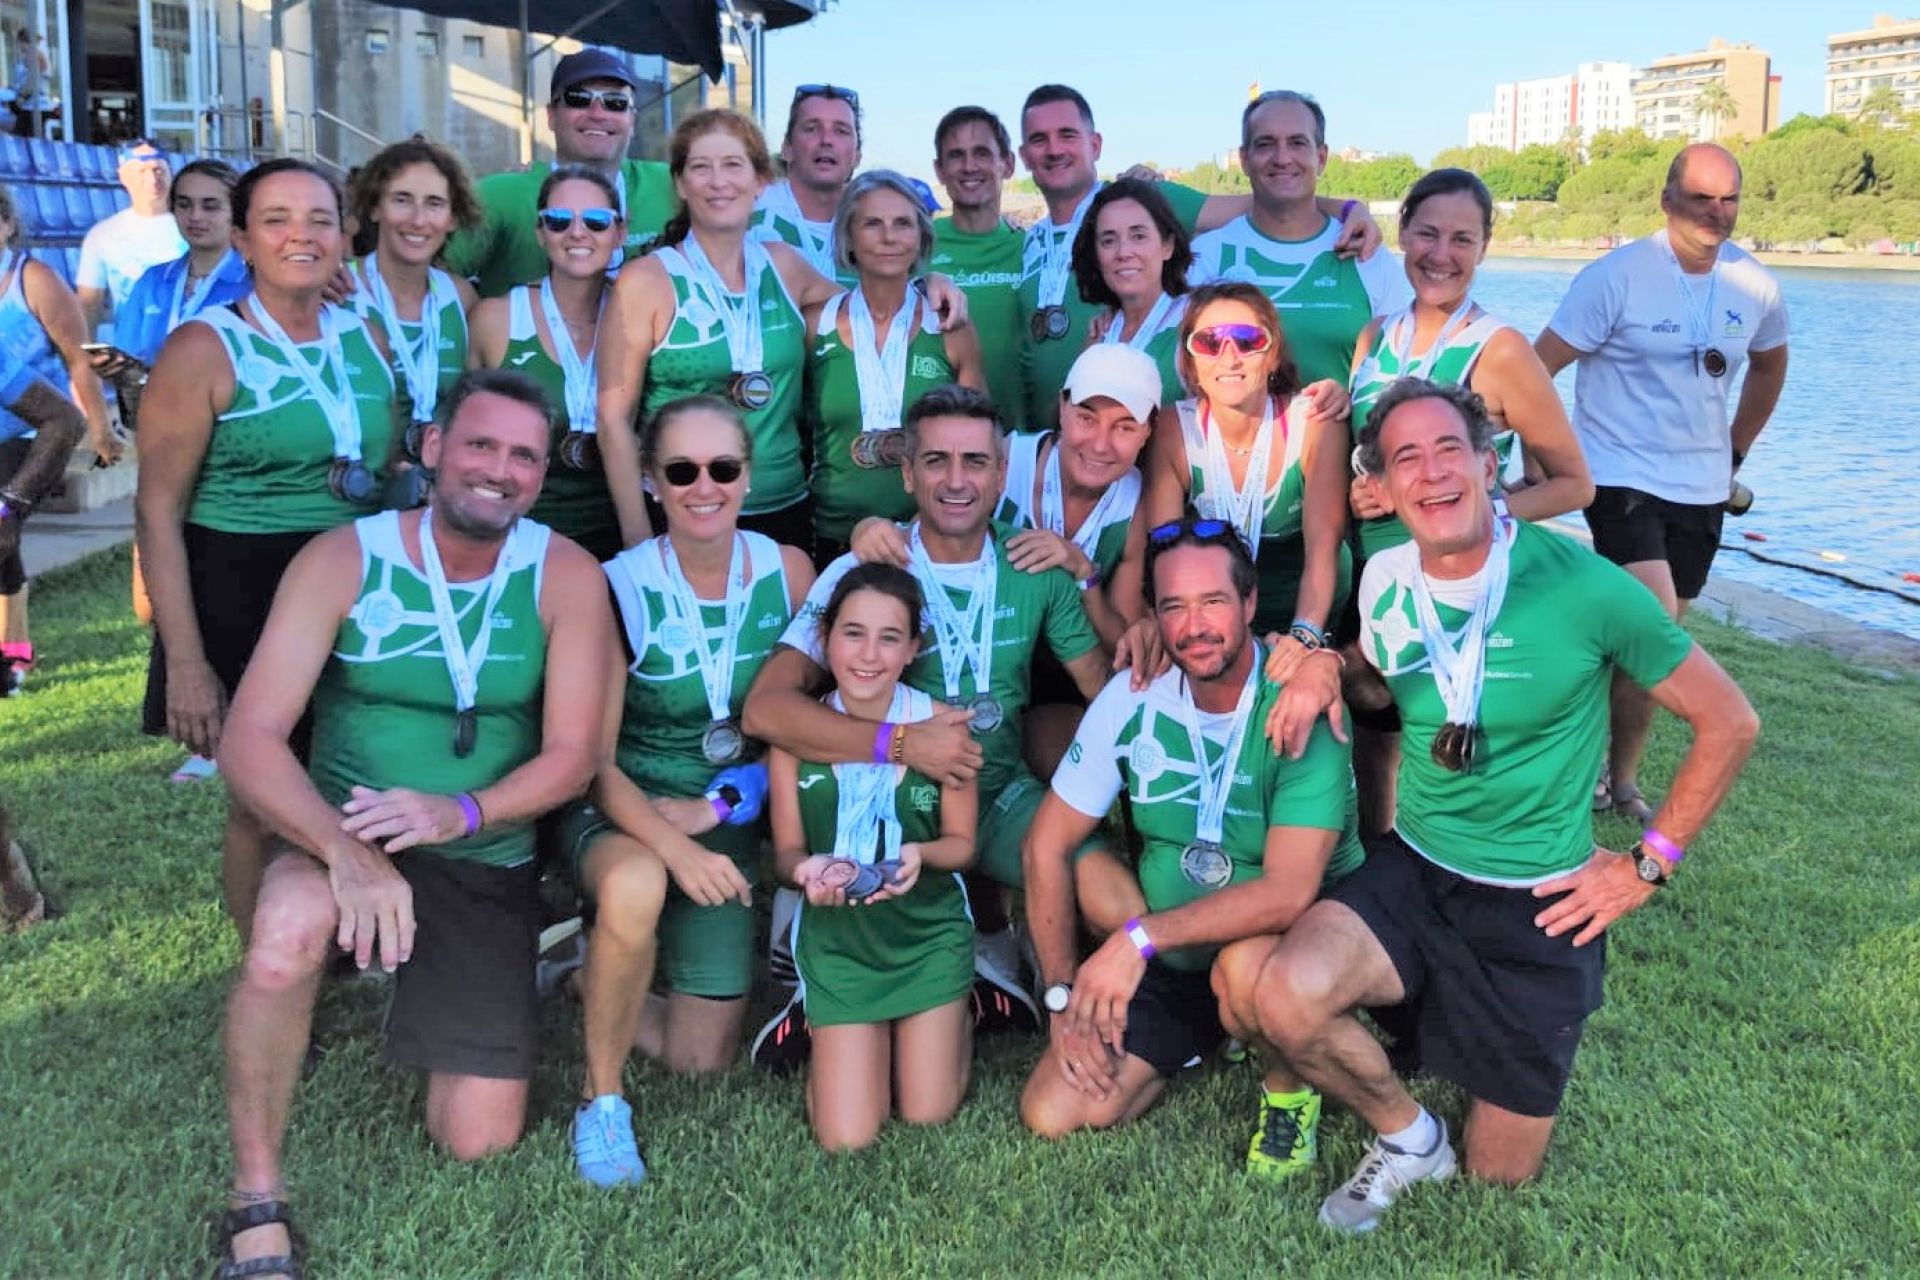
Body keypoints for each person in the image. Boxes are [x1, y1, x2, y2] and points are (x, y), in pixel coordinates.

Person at [1252, 378, 1757, 1234]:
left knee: (1499, 1179)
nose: (1432, 472)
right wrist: (1329, 665)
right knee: (1285, 997)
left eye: (1450, 449)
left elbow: (1730, 721)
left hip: (1540, 899)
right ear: (1381, 488)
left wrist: (1646, 866)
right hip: (1419, 867)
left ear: (1490, 467)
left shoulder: (1587, 587)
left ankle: (1470, 1051)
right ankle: (1410, 1137)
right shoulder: (1386, 576)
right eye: (1406, 457)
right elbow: (1380, 675)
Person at [212, 369, 611, 1279]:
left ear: (541, 476)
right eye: (481, 444)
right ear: (432, 447)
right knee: (284, 935)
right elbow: (250, 738)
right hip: (343, 831)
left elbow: (573, 756)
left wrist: (461, 810)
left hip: (481, 847)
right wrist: (342, 851)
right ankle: (255, 1198)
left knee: (478, 1138)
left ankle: (466, 974)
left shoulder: (564, 574)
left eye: (524, 456)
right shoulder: (343, 558)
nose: (499, 470)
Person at [743, 384, 1111, 1064]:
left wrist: (1086, 577)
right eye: (936, 461)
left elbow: (1105, 694)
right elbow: (766, 709)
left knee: (1111, 894)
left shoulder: (1035, 563)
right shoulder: (866, 564)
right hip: (886, 801)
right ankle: (817, 963)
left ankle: (1040, 988)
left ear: (1001, 473)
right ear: (908, 473)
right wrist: (905, 744)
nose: (957, 480)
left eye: (976, 461)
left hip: (994, 793)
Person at [1020, 518, 1362, 1173]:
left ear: (1251, 603)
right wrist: (1062, 998)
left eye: (1213, 602)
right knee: (1052, 1110)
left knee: (1245, 970)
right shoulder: (1133, 695)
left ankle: (1289, 1095)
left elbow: (1290, 893)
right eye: (1174, 606)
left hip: (1280, 944)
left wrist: (1136, 939)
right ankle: (1210, 1033)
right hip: (1175, 952)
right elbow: (1045, 847)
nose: (1194, 626)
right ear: (1153, 616)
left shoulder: (1299, 702)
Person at [136, 158, 398, 938]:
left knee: (351, 779)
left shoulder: (365, 333)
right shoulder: (203, 347)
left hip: (356, 587)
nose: (300, 236)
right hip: (244, 587)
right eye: (276, 220)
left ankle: (344, 939)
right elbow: (157, 509)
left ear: (346, 236)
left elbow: (384, 463)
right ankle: (266, 963)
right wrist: (186, 663)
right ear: (244, 240)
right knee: (264, 799)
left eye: (320, 219)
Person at [556, 394, 812, 1185]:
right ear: (649, 480)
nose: (705, 487)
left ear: (749, 476)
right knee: (636, 883)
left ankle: (580, 974)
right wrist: (674, 846)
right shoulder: (614, 586)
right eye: (681, 470)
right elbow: (591, 762)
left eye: (724, 468)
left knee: (701, 1057)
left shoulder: (788, 571)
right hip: (623, 805)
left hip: (727, 808)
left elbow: (804, 728)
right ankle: (601, 1099)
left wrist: (720, 808)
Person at [1535, 143, 1787, 824]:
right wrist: (1547, 458)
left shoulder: (1755, 284)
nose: (1715, 212)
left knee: (1644, 643)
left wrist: (1736, 449)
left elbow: (1769, 366)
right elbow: (1536, 368)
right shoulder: (1614, 277)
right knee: (1655, 619)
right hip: (1619, 476)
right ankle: (1595, 761)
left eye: (1729, 199)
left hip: (1702, 487)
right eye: (1701, 197)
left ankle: (1620, 779)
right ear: (1667, 198)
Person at [1345, 168, 1593, 832]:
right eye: (1427, 233)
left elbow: (1574, 483)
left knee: (1445, 753)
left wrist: (1472, 516)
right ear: (1402, 234)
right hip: (1374, 575)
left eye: (1462, 239)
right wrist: (1360, 489)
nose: (1441, 254)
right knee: (1376, 735)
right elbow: (1367, 459)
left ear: (1485, 246)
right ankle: (1383, 862)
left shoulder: (1502, 350)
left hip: (1459, 585)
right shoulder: (1373, 338)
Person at [597, 109, 962, 556]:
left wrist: (929, 282)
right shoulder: (645, 281)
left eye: (733, 165)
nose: (718, 181)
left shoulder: (785, 266)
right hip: (681, 510)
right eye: (701, 167)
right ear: (680, 184)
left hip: (783, 510)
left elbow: (876, 303)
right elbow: (612, 421)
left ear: (761, 182)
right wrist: (637, 543)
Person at [1015, 84, 1379, 431]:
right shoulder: (1028, 242)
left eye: (1067, 135)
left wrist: (1350, 208)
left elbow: (1275, 195)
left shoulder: (1148, 197)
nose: (1054, 149)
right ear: (1023, 155)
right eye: (1039, 139)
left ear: (1095, 144)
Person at [771, 562, 978, 1149]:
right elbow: (786, 852)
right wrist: (806, 870)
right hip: (839, 942)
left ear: (913, 648)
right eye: (853, 633)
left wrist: (921, 854)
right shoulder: (796, 731)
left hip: (927, 935)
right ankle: (818, 1015)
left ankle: (960, 1005)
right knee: (847, 1138)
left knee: (927, 1112)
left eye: (890, 638)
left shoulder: (944, 727)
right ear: (825, 638)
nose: (868, 655)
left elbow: (963, 845)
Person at [1143, 283, 1353, 660]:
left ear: (1272, 355)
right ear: (1191, 363)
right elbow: (1167, 556)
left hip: (1308, 608)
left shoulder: (1315, 422)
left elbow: (1324, 549)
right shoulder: (1174, 429)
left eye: (1247, 340)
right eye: (1209, 342)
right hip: (1216, 615)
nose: (1230, 357)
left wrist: (1303, 637)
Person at [805, 168, 983, 564]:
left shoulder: (949, 325)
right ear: (849, 236)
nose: (889, 236)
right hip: (832, 536)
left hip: (926, 537)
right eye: (872, 223)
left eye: (903, 223)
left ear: (920, 236)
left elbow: (979, 440)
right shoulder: (816, 324)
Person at [1189, 91, 1408, 387]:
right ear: (1244, 159)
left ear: (1321, 157)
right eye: (1265, 144)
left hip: (1346, 419)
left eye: (1297, 143)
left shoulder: (1366, 254)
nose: (1282, 158)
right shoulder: (1207, 256)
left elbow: (1400, 373)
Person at [470, 166, 623, 560]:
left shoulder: (640, 313)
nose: (577, 232)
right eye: (558, 220)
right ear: (540, 233)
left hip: (621, 535)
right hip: (519, 540)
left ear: (619, 233)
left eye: (596, 221)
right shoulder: (496, 320)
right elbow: (470, 441)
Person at [0, 185, 117, 694]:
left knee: (4, 533)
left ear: (8, 224)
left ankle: (13, 653)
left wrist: (100, 426)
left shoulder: (34, 279)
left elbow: (78, 356)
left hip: (29, 430)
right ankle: (13, 652)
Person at [442, 48, 674, 296]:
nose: (597, 113)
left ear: (632, 121)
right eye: (578, 99)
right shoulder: (501, 196)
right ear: (551, 116)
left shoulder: (670, 184)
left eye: (615, 103)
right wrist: (481, 312)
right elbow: (428, 278)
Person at [344, 136, 481, 494]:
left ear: (453, 218)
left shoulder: (461, 298)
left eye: (434, 203)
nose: (418, 220)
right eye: (402, 200)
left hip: (435, 496)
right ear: (375, 207)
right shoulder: (337, 290)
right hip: (353, 491)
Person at [0, 299, 88, 697]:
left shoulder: (34, 278)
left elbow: (64, 421)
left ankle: (14, 653)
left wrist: (11, 506)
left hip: (12, 443)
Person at [102, 159, 251, 384]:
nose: (195, 216)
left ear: (236, 212)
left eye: (210, 206)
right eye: (184, 204)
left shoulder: (255, 283)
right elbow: (127, 357)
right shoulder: (153, 281)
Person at [930, 106, 1024, 419]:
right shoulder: (916, 247)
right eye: (956, 156)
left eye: (982, 153)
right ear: (939, 170)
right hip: (945, 435)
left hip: (1025, 436)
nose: (969, 166)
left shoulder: (1032, 248)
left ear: (1008, 164)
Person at [1072, 177, 1193, 405]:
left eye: (1138, 236)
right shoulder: (1099, 335)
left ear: (1167, 245)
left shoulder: (1195, 326)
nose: (1123, 252)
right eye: (1108, 240)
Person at [750, 84, 861, 285]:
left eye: (841, 131)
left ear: (857, 156)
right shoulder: (748, 214)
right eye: (811, 129)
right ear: (787, 149)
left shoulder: (878, 225)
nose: (826, 140)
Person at [76, 139, 187, 338]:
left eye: (158, 170)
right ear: (123, 176)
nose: (152, 178)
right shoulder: (102, 235)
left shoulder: (193, 227)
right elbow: (89, 306)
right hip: (131, 347)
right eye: (141, 171)